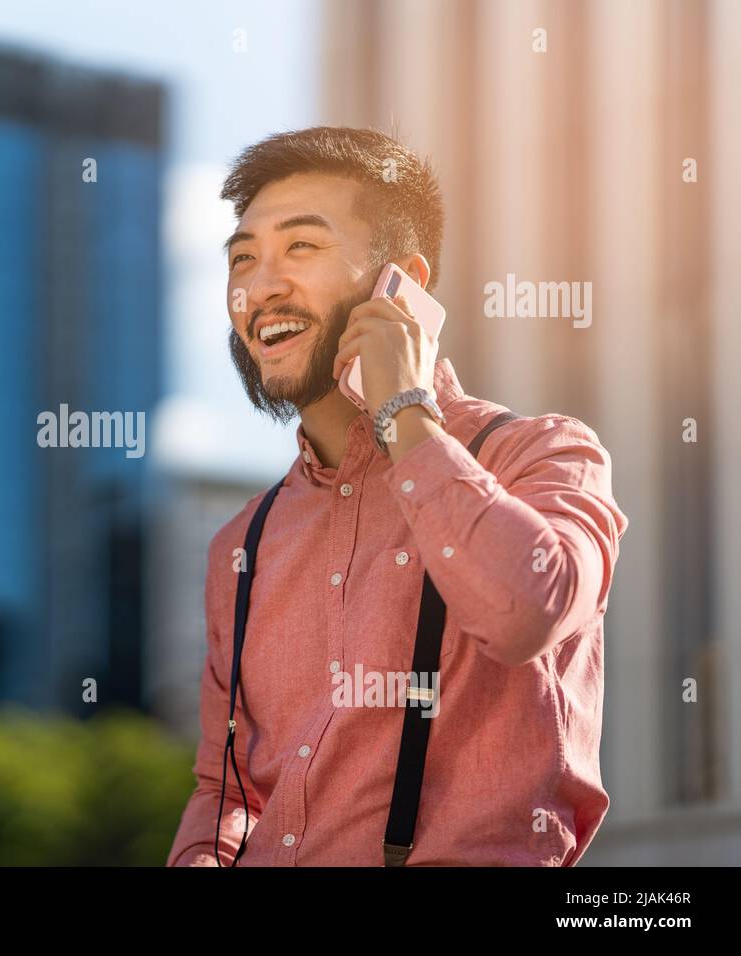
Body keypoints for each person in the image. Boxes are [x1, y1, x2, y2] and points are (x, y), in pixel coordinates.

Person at [166, 126, 630, 866]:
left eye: (302, 248)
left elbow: (526, 611)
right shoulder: (241, 544)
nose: (260, 286)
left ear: (402, 283)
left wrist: (404, 412)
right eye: (243, 258)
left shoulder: (540, 453)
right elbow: (224, 790)